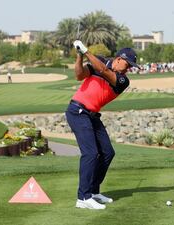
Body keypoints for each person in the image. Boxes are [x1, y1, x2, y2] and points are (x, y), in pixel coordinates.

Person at [67, 40, 139, 210]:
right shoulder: (98, 61)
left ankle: (92, 191)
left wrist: (86, 51)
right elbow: (79, 75)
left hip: (92, 116)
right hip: (77, 111)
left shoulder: (123, 81)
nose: (128, 69)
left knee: (107, 152)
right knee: (91, 154)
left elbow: (104, 70)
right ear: (119, 59)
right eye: (128, 65)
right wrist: (79, 55)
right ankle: (83, 198)